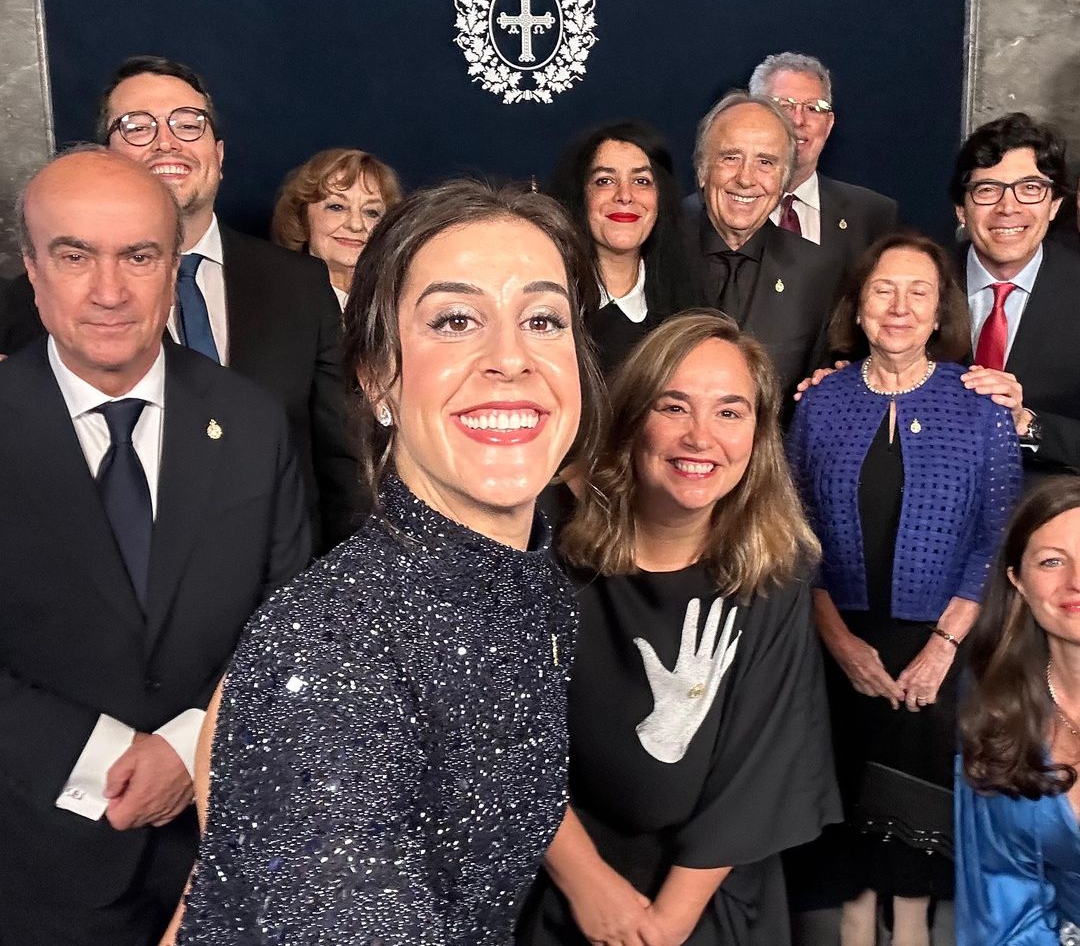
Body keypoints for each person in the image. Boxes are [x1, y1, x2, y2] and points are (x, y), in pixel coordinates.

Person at [166, 179, 604, 945]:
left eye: (542, 318)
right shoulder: (330, 649)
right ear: (378, 378)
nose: (510, 357)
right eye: (456, 319)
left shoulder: (542, 596)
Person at [0, 147, 310, 946]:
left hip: (221, 852)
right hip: (33, 861)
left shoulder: (251, 422)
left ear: (175, 266)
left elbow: (290, 624)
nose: (109, 292)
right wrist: (104, 754)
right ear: (32, 270)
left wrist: (183, 750)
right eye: (75, 256)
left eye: (138, 256)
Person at [516, 309, 840, 946]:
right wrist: (589, 887)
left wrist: (666, 925)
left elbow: (760, 767)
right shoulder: (541, 544)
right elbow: (501, 736)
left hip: (708, 895)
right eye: (674, 406)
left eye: (729, 411)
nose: (702, 437)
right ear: (633, 420)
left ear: (758, 433)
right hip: (556, 877)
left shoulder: (777, 570)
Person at [0, 56, 362, 553]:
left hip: (289, 592)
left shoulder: (299, 284)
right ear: (104, 156)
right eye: (137, 127)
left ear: (218, 153)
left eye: (187, 124)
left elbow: (342, 465)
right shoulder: (26, 305)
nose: (166, 141)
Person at [786, 233, 1022, 946]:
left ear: (939, 310)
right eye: (884, 289)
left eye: (919, 291)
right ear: (858, 306)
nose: (900, 306)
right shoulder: (820, 404)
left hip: (941, 655)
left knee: (916, 878)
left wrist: (944, 648)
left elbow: (998, 538)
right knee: (850, 873)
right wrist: (841, 643)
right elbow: (793, 536)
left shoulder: (977, 404)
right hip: (837, 653)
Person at [956, 476, 1080, 945]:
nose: (1076, 581)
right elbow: (1001, 900)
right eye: (1051, 561)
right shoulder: (995, 704)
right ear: (1018, 581)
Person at [681, 91, 846, 410]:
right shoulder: (656, 255)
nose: (746, 179)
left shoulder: (819, 273)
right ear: (702, 170)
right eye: (730, 157)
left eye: (765, 163)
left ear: (784, 181)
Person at [951, 112, 1080, 478]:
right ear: (961, 209)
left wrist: (1028, 425)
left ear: (1054, 205)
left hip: (1049, 515)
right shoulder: (920, 285)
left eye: (1030, 188)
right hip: (932, 513)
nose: (1009, 208)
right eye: (988, 189)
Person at [683, 53, 899, 263]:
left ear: (829, 124)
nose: (798, 120)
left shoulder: (873, 216)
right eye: (784, 105)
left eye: (814, 108)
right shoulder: (685, 219)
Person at [548, 120, 695, 374]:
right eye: (605, 181)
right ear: (580, 196)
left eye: (641, 181)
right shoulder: (547, 304)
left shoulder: (691, 308)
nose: (624, 195)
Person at [271, 146, 403, 309]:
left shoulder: (399, 307)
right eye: (337, 207)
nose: (356, 225)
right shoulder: (274, 304)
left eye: (371, 212)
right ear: (301, 219)